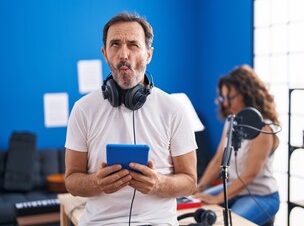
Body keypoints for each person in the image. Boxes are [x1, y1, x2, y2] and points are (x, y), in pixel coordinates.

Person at [64, 12, 198, 225]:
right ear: (105, 53)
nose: (124, 54)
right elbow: (71, 181)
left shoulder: (174, 109)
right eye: (115, 44)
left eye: (133, 45)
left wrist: (159, 183)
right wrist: (96, 183)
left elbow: (190, 182)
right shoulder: (82, 109)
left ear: (148, 54)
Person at [194, 65, 280, 225]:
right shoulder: (232, 121)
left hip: (261, 195)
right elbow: (218, 159)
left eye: (230, 97)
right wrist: (200, 186)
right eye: (223, 98)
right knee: (195, 204)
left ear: (247, 94)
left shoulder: (264, 128)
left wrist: (217, 199)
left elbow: (250, 174)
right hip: (234, 188)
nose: (226, 104)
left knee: (227, 223)